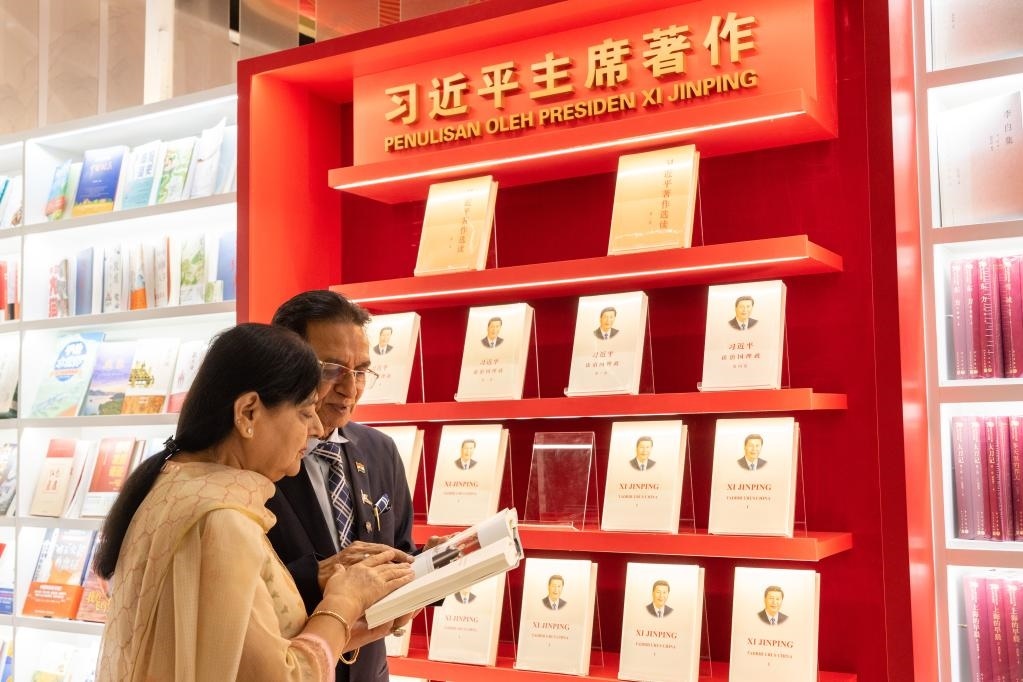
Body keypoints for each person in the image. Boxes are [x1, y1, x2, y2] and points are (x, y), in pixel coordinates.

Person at [94, 323, 414, 680]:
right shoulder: (221, 521)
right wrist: (345, 601)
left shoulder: (175, 485)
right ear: (248, 413)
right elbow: (283, 676)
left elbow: (227, 654)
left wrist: (360, 617)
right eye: (305, 412)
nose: (316, 429)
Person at [269, 290, 423, 682]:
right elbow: (239, 589)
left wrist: (431, 566)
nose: (350, 388)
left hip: (369, 670)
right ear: (286, 364)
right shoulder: (257, 458)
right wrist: (321, 577)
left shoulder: (380, 449)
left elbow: (399, 550)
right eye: (332, 370)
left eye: (361, 371)